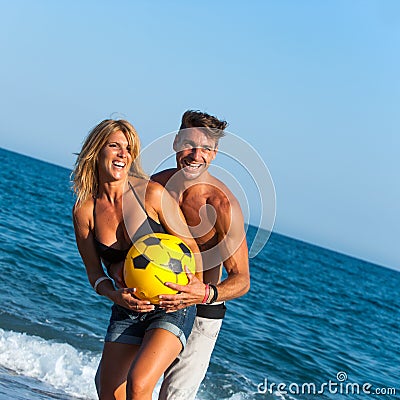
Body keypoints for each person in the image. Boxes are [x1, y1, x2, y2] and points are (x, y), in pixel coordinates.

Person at [71, 119, 202, 400]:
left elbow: (191, 248)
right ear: (97, 150)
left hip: (171, 304)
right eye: (114, 146)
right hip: (127, 307)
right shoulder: (85, 210)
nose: (122, 154)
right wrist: (116, 296)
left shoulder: (151, 194)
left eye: (128, 149)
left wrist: (190, 292)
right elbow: (94, 273)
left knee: (139, 382)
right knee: (108, 391)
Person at [152, 110, 250, 400]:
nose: (196, 155)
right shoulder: (156, 186)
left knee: (174, 397)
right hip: (154, 298)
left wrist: (204, 293)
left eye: (206, 148)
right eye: (189, 145)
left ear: (215, 154)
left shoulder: (221, 205)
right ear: (175, 143)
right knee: (128, 383)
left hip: (201, 313)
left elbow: (242, 279)